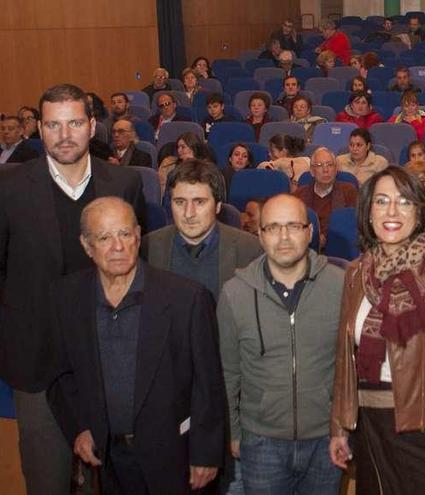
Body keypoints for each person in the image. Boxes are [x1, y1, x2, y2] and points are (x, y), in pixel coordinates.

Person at [0, 84, 146, 495]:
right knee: (47, 480)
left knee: (111, 480)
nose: (65, 135)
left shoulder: (124, 183)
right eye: (53, 125)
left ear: (92, 125)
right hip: (38, 366)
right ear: (39, 130)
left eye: (75, 123)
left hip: (112, 361)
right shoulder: (8, 189)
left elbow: (138, 271)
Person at [49, 196, 225, 494]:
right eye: (104, 237)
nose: (117, 246)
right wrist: (79, 426)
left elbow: (208, 384)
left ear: (138, 236)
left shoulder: (187, 299)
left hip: (172, 458)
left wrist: (205, 453)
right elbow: (61, 372)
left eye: (125, 234)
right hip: (107, 458)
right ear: (86, 245)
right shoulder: (67, 296)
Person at [329, 167, 425, 494]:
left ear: (419, 210)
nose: (392, 212)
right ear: (368, 212)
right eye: (381, 201)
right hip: (368, 427)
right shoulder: (356, 273)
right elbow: (345, 359)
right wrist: (339, 427)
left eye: (404, 202)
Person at [218, 193, 344, 494]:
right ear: (259, 235)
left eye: (293, 226)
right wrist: (234, 433)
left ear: (310, 232)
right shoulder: (234, 293)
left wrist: (344, 428)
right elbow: (228, 371)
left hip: (327, 440)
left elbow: (349, 366)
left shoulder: (341, 285)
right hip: (261, 441)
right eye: (273, 227)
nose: (284, 237)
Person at [143, 158, 262, 299]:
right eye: (180, 202)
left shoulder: (251, 250)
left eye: (199, 202)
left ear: (218, 206)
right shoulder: (148, 247)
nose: (188, 213)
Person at [294, 147, 358, 248]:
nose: (326, 170)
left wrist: (326, 238)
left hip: (339, 249)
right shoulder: (299, 195)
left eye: (330, 165)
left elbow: (354, 228)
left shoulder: (348, 191)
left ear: (336, 170)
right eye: (320, 165)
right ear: (312, 171)